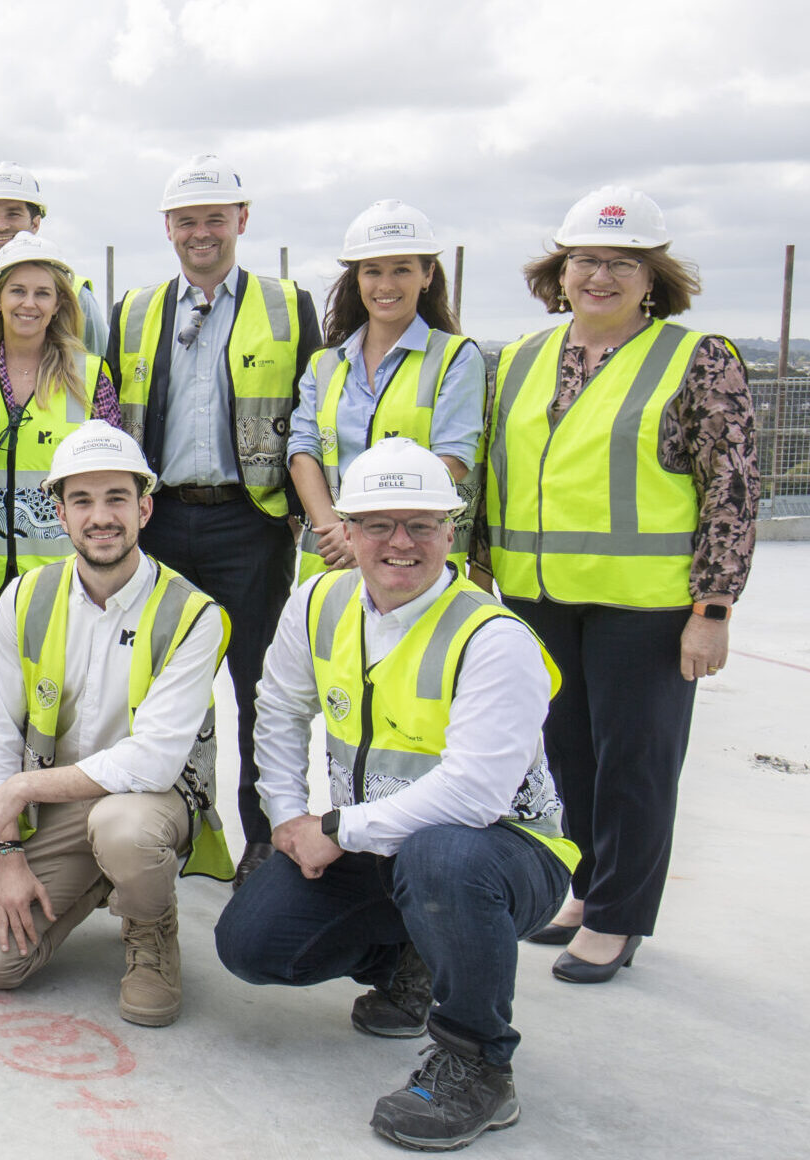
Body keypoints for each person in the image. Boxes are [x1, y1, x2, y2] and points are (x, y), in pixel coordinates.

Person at [216, 439, 579, 1152]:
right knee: (250, 944)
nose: (400, 543)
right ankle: (409, 961)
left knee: (442, 859)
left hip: (504, 857)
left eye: (421, 524)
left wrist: (337, 829)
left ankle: (478, 1061)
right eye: (378, 524)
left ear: (452, 531)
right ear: (346, 531)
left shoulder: (493, 639)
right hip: (379, 845)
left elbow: (475, 795)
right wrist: (289, 816)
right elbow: (281, 709)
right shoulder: (318, 602)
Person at [485, 186, 757, 983]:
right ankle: (587, 888)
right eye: (585, 261)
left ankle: (618, 918)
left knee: (635, 760)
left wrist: (713, 608)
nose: (599, 276)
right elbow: (500, 473)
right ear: (559, 272)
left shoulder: (696, 359)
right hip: (539, 596)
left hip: (648, 605)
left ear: (652, 278)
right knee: (569, 755)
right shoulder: (527, 358)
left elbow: (732, 491)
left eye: (621, 263)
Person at [0, 421, 233, 1027]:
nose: (100, 516)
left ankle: (150, 926)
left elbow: (154, 761)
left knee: (123, 829)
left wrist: (22, 790)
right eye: (82, 500)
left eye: (116, 498)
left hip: (148, 804)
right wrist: (8, 854)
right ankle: (110, 880)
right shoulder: (24, 597)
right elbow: (0, 729)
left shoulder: (194, 614)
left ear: (145, 507)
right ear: (60, 512)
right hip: (65, 806)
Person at [109, 154, 320, 882]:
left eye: (216, 220)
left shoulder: (290, 305)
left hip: (249, 522)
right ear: (168, 228)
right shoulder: (135, 311)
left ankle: (261, 838)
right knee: (160, 687)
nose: (202, 234)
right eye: (188, 221)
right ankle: (172, 827)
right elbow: (113, 420)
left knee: (258, 686)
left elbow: (309, 418)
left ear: (242, 221)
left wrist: (292, 514)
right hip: (160, 520)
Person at [0, 233, 122, 731]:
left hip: (62, 572)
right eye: (17, 291)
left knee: (65, 700)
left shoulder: (89, 374)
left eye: (41, 293)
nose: (28, 304)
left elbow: (113, 468)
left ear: (59, 304)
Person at [288, 201, 484, 577]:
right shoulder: (324, 365)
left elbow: (454, 459)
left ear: (427, 276)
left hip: (412, 559)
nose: (386, 285)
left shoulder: (456, 358)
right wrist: (340, 531)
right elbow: (302, 452)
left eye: (402, 270)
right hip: (330, 561)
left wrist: (367, 535)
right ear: (357, 279)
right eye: (372, 271)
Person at [0, 161, 109, 357]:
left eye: (13, 214)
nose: (1, 226)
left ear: (35, 223)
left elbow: (99, 369)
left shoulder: (75, 293)